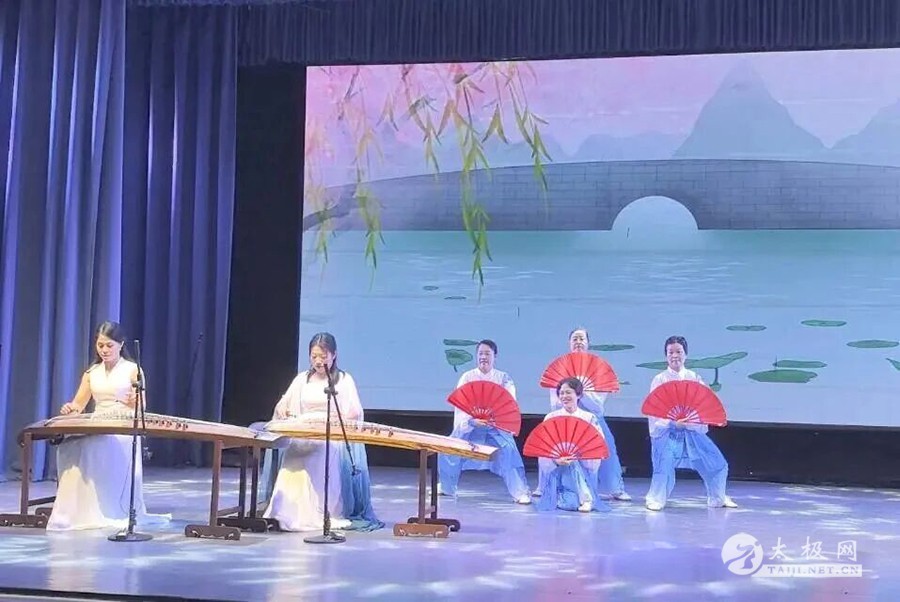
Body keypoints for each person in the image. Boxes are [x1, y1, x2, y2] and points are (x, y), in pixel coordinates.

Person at [48, 321, 169, 531]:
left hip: (123, 425)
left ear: (121, 344)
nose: (104, 350)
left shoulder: (132, 370)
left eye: (109, 345)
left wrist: (133, 402)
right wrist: (70, 408)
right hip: (99, 422)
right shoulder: (91, 372)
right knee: (69, 446)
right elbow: (78, 405)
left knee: (92, 446)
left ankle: (108, 509)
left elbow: (142, 405)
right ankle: (77, 511)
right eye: (100, 345)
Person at [263, 332, 383, 532]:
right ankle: (283, 512)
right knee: (292, 460)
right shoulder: (302, 379)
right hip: (303, 432)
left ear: (334, 355)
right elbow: (284, 403)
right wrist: (283, 409)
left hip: (329, 434)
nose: (318, 361)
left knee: (317, 458)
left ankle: (317, 513)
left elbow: (354, 412)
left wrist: (334, 420)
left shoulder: (343, 380)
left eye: (323, 356)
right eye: (314, 356)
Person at [645, 335, 738, 511]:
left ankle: (718, 496)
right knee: (663, 464)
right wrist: (672, 423)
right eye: (670, 352)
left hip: (691, 430)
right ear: (666, 355)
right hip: (668, 432)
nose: (675, 356)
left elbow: (704, 404)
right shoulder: (659, 379)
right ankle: (656, 498)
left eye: (678, 352)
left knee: (716, 463)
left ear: (685, 354)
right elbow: (654, 411)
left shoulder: (694, 377)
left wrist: (690, 423)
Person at [537, 327, 630, 501]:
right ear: (569, 343)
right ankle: (544, 486)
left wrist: (580, 391)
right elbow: (555, 403)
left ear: (588, 343)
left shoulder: (599, 369)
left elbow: (598, 406)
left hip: (591, 418)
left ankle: (616, 488)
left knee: (607, 446)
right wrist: (569, 397)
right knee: (547, 446)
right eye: (575, 339)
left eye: (582, 339)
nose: (578, 342)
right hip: (564, 418)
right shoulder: (559, 368)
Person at [437, 340, 531, 504]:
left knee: (508, 451)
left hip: (495, 428)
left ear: (495, 356)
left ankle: (520, 492)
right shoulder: (467, 377)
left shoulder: (504, 379)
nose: (483, 357)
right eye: (480, 353)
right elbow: (461, 405)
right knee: (449, 449)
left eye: (487, 353)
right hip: (471, 426)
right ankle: (447, 486)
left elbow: (509, 405)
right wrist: (471, 421)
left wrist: (493, 420)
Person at [534, 377, 609, 513]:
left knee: (573, 461)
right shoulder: (551, 417)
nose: (564, 396)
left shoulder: (589, 418)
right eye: (561, 393)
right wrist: (556, 460)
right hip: (558, 468)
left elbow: (598, 445)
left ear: (578, 395)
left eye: (568, 392)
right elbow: (544, 447)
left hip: (582, 467)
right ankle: (577, 497)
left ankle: (586, 498)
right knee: (570, 505)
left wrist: (578, 455)